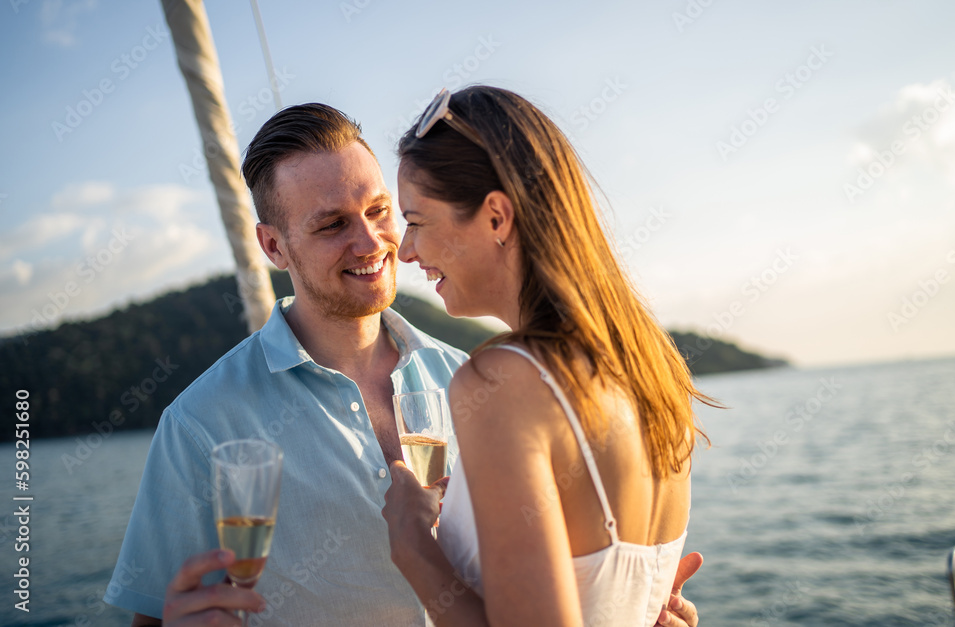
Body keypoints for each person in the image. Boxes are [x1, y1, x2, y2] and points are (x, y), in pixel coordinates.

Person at [121, 102, 701, 626]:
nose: (374, 241)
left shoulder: (476, 378)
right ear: (272, 247)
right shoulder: (201, 423)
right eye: (332, 225)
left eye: (383, 212)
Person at [379, 85, 712, 626]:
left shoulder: (505, 382)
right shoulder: (653, 370)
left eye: (416, 221)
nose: (406, 249)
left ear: (495, 217)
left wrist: (413, 546)